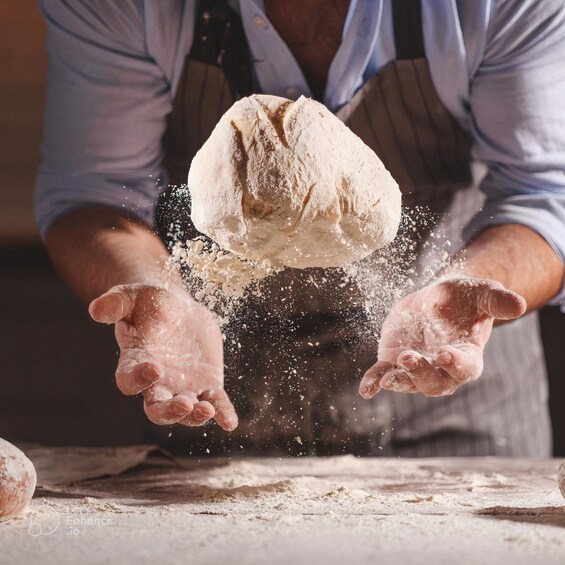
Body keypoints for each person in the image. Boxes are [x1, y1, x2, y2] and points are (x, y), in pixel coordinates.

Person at [36, 0, 565, 457]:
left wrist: (474, 286)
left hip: (446, 394)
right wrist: (155, 289)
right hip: (208, 399)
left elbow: (546, 193)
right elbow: (95, 194)